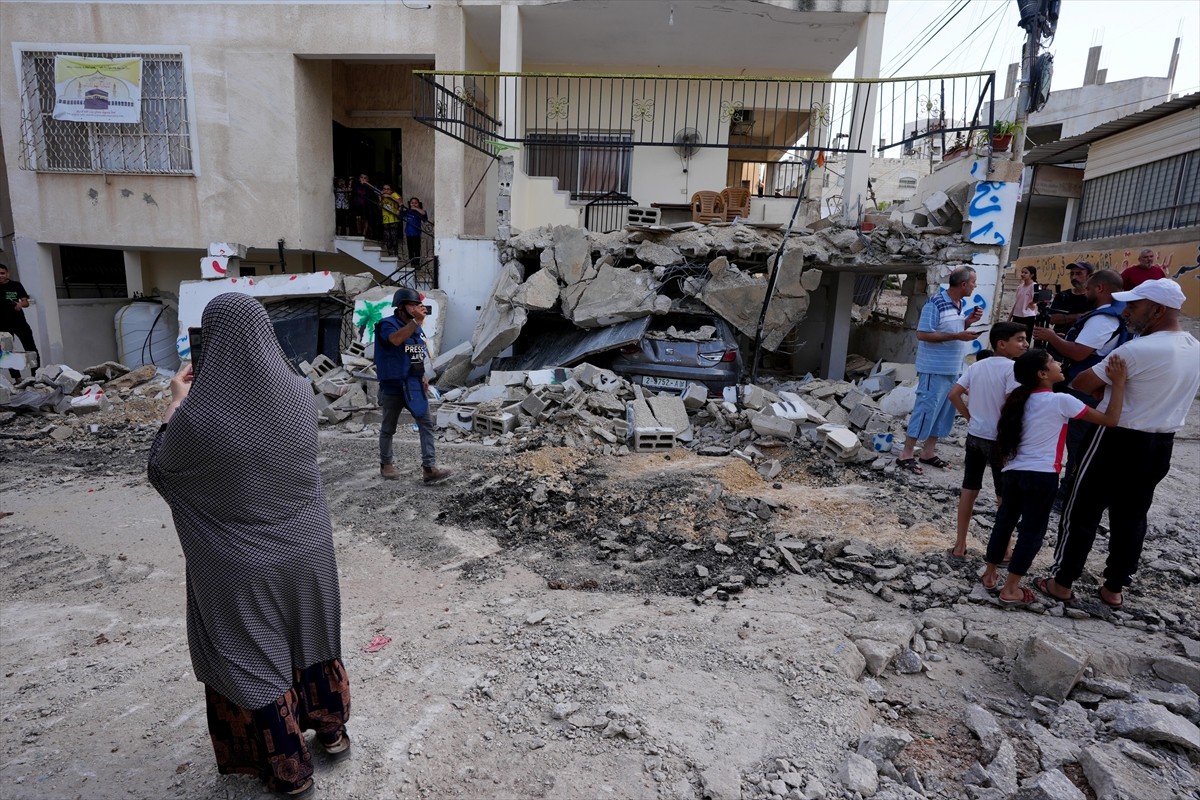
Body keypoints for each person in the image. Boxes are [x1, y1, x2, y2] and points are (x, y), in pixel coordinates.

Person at [148, 293, 350, 797]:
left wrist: (175, 403)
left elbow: (162, 471)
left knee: (252, 658)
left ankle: (290, 770)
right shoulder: (300, 392)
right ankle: (332, 732)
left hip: (240, 562)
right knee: (313, 639)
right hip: (307, 548)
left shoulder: (197, 418)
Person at [1041, 279, 1200, 610]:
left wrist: (1109, 390)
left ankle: (1062, 581)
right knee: (1132, 516)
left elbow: (1081, 382)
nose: (1126, 311)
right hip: (1161, 442)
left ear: (1157, 310)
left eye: (1134, 305)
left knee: (1082, 508)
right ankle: (1114, 588)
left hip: (1116, 437)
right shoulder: (1194, 347)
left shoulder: (1135, 349)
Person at [978, 348, 1126, 608]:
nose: (1059, 364)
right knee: (1031, 532)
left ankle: (990, 573)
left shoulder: (1017, 399)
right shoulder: (1061, 401)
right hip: (1042, 475)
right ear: (1042, 373)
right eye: (1053, 362)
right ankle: (1011, 588)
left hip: (1012, 472)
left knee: (1004, 522)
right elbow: (1110, 420)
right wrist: (1119, 384)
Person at [1032, 269, 1130, 505]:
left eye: (1088, 288)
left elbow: (1079, 352)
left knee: (1078, 442)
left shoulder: (1103, 318)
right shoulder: (1109, 315)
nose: (1084, 292)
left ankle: (1070, 492)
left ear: (1100, 289)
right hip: (1090, 385)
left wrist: (1052, 337)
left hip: (1086, 388)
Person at [946, 321, 1028, 559]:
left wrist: (971, 417)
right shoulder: (1013, 369)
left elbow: (954, 394)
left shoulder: (978, 366)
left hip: (975, 435)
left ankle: (960, 545)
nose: (1025, 343)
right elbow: (1013, 406)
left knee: (969, 490)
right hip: (999, 440)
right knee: (1004, 496)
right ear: (1002, 344)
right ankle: (1005, 548)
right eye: (1020, 339)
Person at [895, 266, 983, 474]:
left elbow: (951, 329)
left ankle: (928, 452)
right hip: (933, 368)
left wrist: (968, 322)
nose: (975, 286)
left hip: (952, 368)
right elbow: (923, 334)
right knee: (925, 409)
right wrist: (957, 336)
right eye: (973, 282)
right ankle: (906, 454)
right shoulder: (935, 303)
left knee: (944, 411)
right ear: (963, 284)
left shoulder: (960, 304)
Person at [375, 287, 451, 484]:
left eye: (418, 305)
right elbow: (396, 340)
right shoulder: (386, 325)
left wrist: (422, 375)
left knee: (426, 423)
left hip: (413, 382)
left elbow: (415, 352)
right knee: (389, 427)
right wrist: (416, 321)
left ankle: (429, 468)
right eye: (412, 305)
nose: (417, 308)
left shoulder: (416, 327)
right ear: (401, 307)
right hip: (393, 384)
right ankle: (386, 464)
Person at [0, 265, 39, 380]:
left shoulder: (16, 285)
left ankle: (36, 375)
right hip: (2, 326)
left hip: (19, 323)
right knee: (7, 352)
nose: (0, 276)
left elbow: (26, 302)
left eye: (2, 273)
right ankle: (17, 378)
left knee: (31, 349)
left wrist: (20, 305)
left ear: (7, 274)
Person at [1048, 261, 1095, 335]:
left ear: (1089, 276)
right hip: (1059, 340)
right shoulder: (1062, 296)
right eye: (1072, 274)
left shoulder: (1095, 297)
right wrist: (1079, 317)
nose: (1074, 277)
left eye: (1078, 274)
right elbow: (1052, 319)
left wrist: (1065, 318)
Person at [1010, 266, 1038, 342]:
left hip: (1028, 316)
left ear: (1032, 275)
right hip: (1017, 316)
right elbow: (1017, 301)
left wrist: (1032, 303)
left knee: (1026, 338)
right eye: (1022, 272)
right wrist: (1010, 315)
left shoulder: (1034, 286)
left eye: (1025, 273)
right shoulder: (1020, 286)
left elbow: (1038, 298)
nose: (1023, 274)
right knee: (1014, 337)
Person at [379, 183, 402, 257]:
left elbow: (401, 203)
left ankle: (395, 254)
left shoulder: (394, 194)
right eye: (384, 189)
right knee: (387, 237)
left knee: (394, 237)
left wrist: (389, 196)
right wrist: (380, 197)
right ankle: (390, 253)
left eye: (387, 189)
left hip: (393, 219)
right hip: (386, 219)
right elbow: (379, 207)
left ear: (391, 190)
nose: (385, 190)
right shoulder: (382, 196)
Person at [403, 197, 428, 262]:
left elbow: (424, 213)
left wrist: (416, 208)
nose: (414, 204)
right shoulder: (407, 211)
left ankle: (417, 264)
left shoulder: (419, 211)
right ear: (409, 204)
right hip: (409, 233)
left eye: (416, 203)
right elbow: (399, 214)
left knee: (417, 249)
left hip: (417, 233)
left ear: (419, 204)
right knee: (410, 249)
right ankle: (412, 263)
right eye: (412, 203)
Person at [351, 173, 375, 238]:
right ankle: (359, 232)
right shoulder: (356, 185)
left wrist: (366, 183)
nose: (363, 179)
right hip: (357, 204)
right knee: (358, 218)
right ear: (359, 178)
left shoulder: (368, 186)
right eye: (361, 177)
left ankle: (364, 233)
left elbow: (374, 189)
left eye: (365, 178)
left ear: (367, 179)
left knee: (365, 219)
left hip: (366, 205)